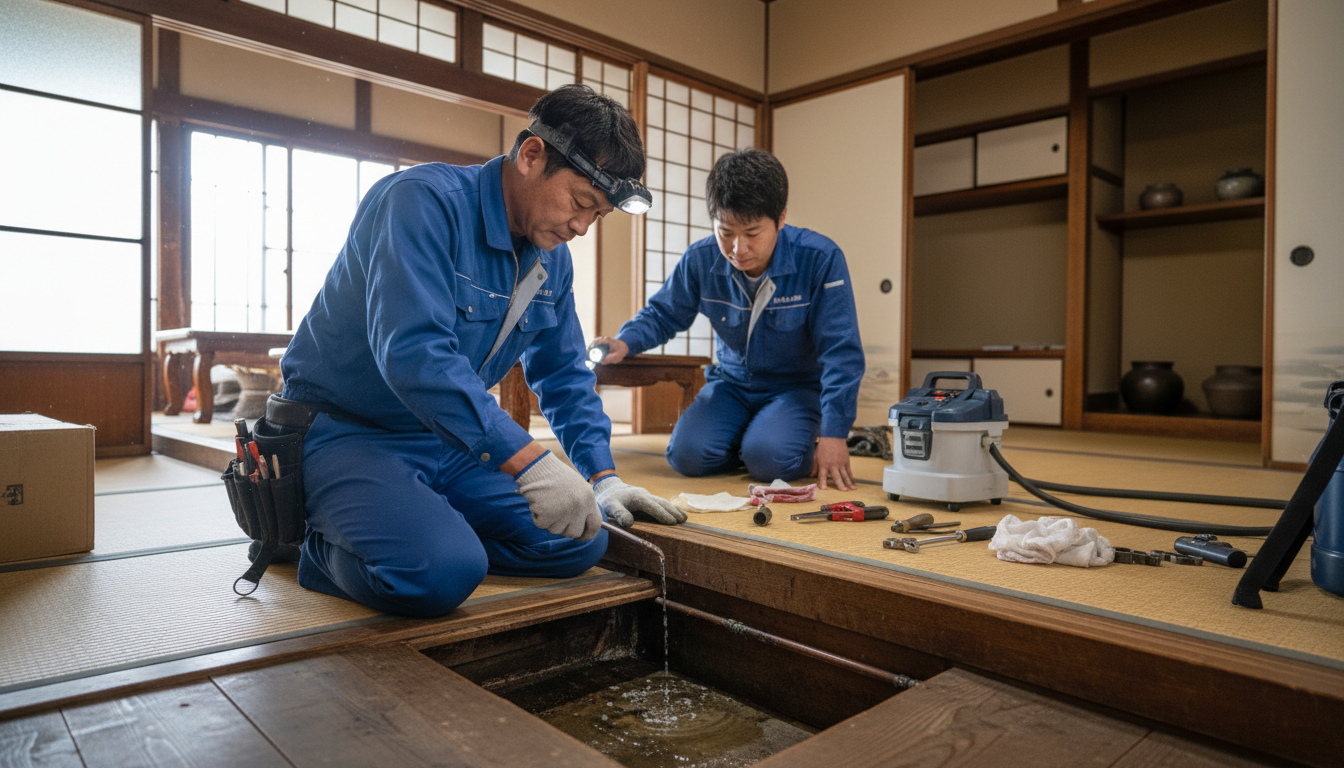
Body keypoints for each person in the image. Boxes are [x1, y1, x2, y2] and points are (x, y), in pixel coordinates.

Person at [276, 84, 685, 618]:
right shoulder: (420, 202)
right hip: (348, 432)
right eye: (581, 203)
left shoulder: (551, 259)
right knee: (438, 576)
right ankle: (313, 544)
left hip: (446, 439)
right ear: (531, 155)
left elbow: (563, 373)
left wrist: (603, 478)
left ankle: (428, 533)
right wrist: (529, 461)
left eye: (598, 215)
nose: (582, 227)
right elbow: (415, 355)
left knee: (581, 538)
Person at [592, 148, 864, 492]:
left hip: (795, 390)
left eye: (752, 233)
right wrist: (624, 342)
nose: (738, 249)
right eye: (726, 232)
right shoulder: (700, 258)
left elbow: (841, 353)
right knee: (685, 457)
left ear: (780, 218)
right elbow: (663, 313)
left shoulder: (820, 258)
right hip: (732, 385)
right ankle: (755, 442)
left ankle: (768, 444)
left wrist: (835, 435)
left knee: (770, 461)